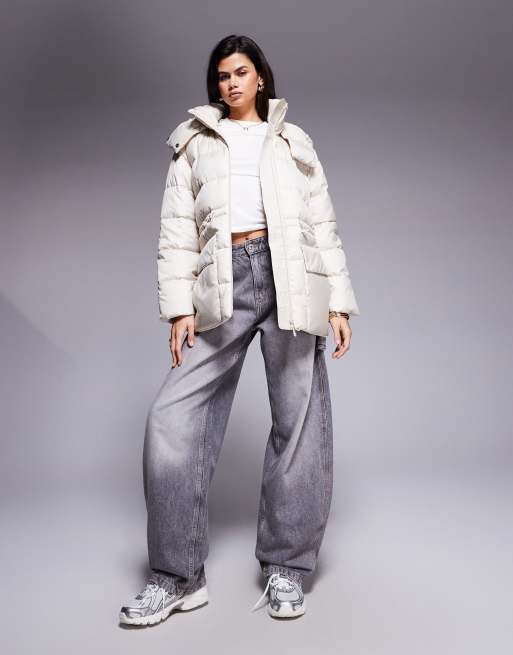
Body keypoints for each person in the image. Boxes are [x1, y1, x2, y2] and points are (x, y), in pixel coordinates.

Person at [119, 33, 360, 626]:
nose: (231, 83)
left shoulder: (293, 141)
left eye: (241, 72)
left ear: (260, 78)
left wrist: (338, 303)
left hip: (290, 279)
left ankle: (286, 568)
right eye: (223, 74)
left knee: (298, 423)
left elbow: (321, 224)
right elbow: (176, 231)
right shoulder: (193, 143)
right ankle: (177, 576)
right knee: (171, 420)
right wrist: (179, 309)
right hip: (222, 281)